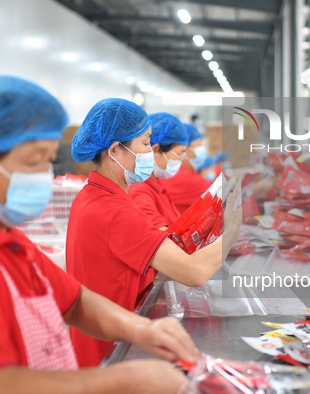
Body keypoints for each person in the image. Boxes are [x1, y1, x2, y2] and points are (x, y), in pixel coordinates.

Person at [0, 76, 197, 394]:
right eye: (33, 162)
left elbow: (74, 300)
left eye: (47, 161)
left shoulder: (0, 232)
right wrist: (128, 379)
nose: (45, 176)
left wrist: (142, 330)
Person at [66, 98, 242, 367]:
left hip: (95, 340)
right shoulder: (115, 210)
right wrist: (231, 230)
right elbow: (193, 272)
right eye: (146, 143)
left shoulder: (92, 195)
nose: (151, 151)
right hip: (112, 351)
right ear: (115, 150)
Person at [128, 112, 188, 229]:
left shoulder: (157, 183)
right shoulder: (139, 191)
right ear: (155, 150)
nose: (181, 160)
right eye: (180, 154)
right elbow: (161, 239)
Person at [160, 123, 212, 213]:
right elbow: (219, 195)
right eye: (198, 145)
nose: (202, 150)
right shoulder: (184, 177)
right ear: (185, 150)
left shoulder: (178, 171)